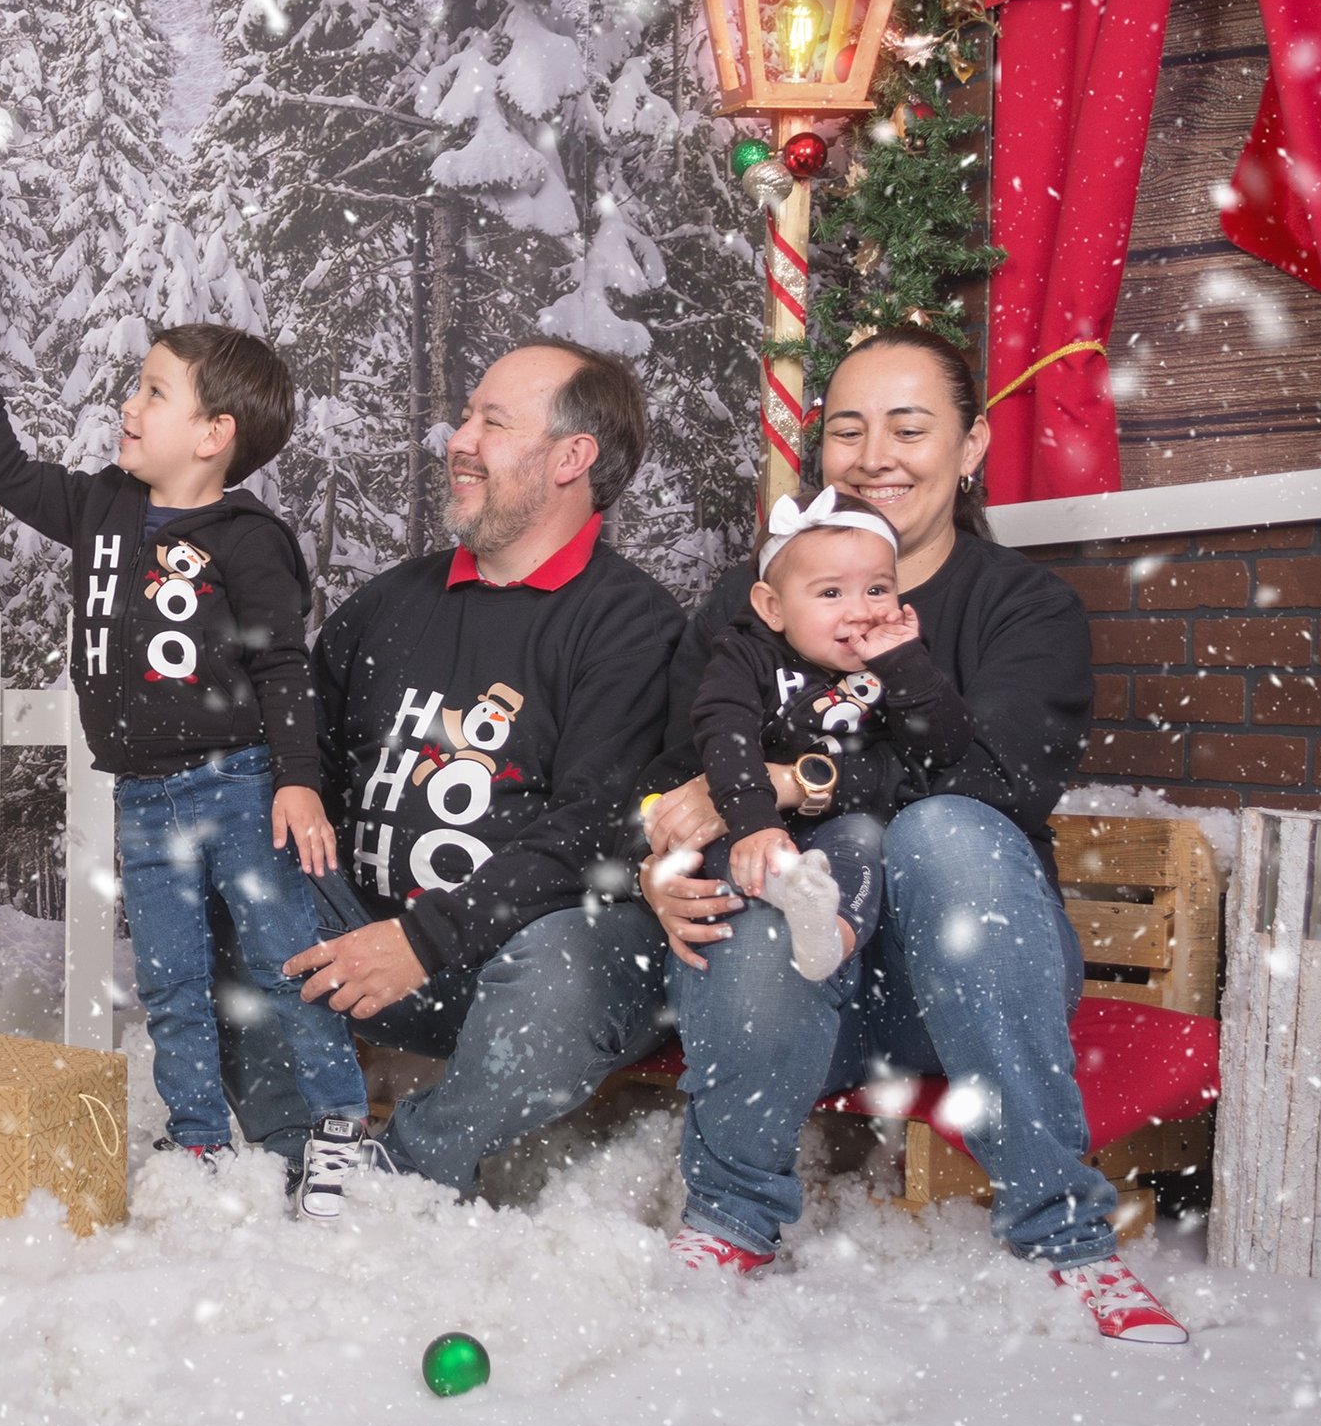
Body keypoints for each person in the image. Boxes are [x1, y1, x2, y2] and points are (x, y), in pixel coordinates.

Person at [639, 327, 1190, 1345]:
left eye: (908, 426)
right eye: (846, 429)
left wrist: (794, 776)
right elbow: (675, 784)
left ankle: (1066, 1236)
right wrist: (662, 867)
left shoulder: (1021, 607)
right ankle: (728, 1219)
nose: (873, 454)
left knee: (945, 829)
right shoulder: (751, 600)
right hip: (803, 993)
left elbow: (996, 784)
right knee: (766, 873)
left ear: (970, 446)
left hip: (967, 985)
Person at [0, 274, 372, 1218]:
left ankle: (342, 1128)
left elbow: (284, 666)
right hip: (142, 797)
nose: (127, 406)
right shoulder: (101, 507)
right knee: (172, 982)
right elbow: (6, 473)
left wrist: (298, 783)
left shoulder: (250, 539)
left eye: (152, 391)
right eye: (135, 387)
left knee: (288, 963)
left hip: (240, 787)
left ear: (213, 434)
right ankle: (198, 1142)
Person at [213, 340, 685, 1196]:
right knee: (228, 845)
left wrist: (424, 940)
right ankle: (292, 1158)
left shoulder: (632, 626)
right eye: (466, 415)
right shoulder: (391, 603)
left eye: (492, 422)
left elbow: (592, 832)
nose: (457, 439)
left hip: (522, 969)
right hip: (365, 949)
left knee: (571, 961)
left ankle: (404, 1169)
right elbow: (301, 761)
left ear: (572, 457)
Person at [676, 484, 974, 985]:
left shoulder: (900, 662)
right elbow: (724, 730)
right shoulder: (745, 655)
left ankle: (829, 935)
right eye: (831, 593)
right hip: (751, 818)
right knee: (733, 857)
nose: (860, 610)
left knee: (860, 846)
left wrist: (906, 666)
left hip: (842, 818)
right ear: (773, 607)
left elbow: (943, 750)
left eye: (877, 589)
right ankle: (785, 887)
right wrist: (754, 819)